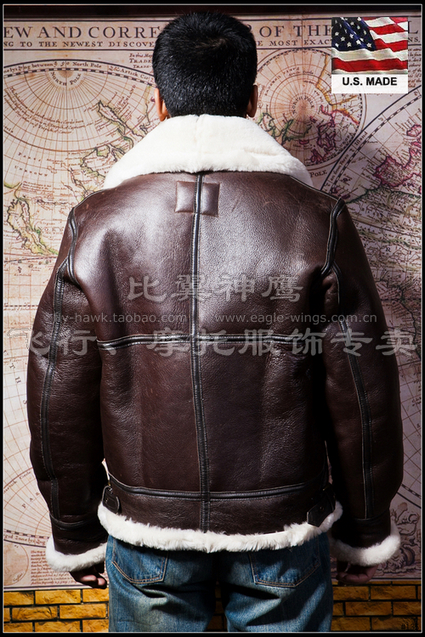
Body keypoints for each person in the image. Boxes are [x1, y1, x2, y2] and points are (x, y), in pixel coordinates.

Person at [27, 11, 404, 633]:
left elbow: (57, 390)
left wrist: (74, 530)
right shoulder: (319, 219)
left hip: (147, 531)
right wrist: (365, 528)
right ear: (251, 100)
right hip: (283, 527)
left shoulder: (95, 222)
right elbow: (362, 391)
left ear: (158, 103)